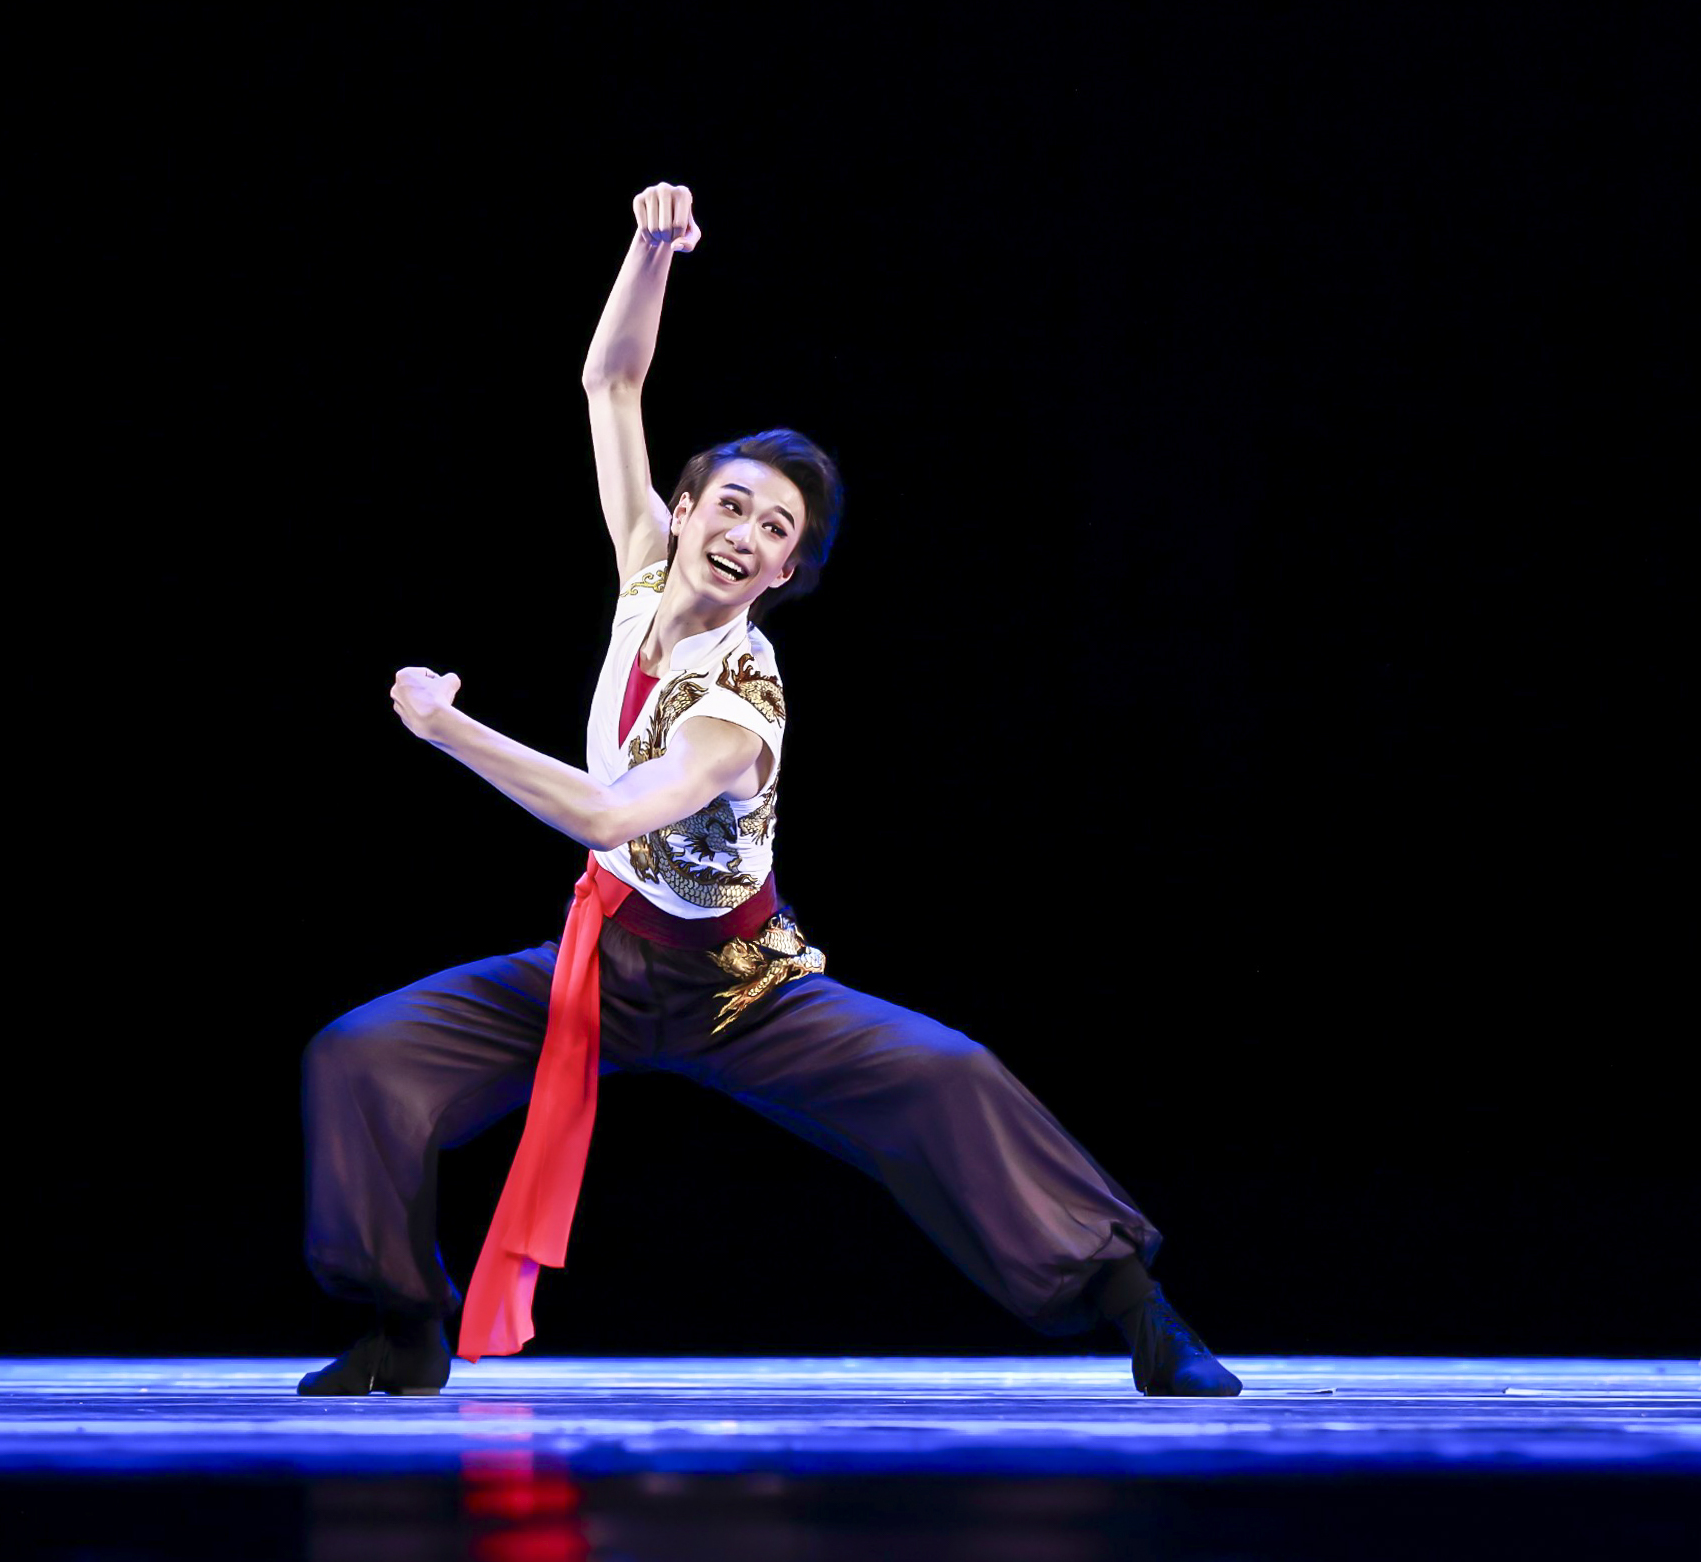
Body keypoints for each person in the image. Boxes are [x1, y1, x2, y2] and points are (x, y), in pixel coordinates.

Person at [298, 182, 1237, 1399]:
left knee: (950, 1077)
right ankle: (402, 1324)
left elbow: (606, 816)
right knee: (362, 1058)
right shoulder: (645, 572)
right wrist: (651, 250)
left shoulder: (740, 701)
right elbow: (611, 383)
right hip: (602, 964)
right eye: (730, 504)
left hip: (742, 989)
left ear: (786, 571)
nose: (743, 531)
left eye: (776, 528)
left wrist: (446, 727)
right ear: (684, 511)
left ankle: (1137, 1309)